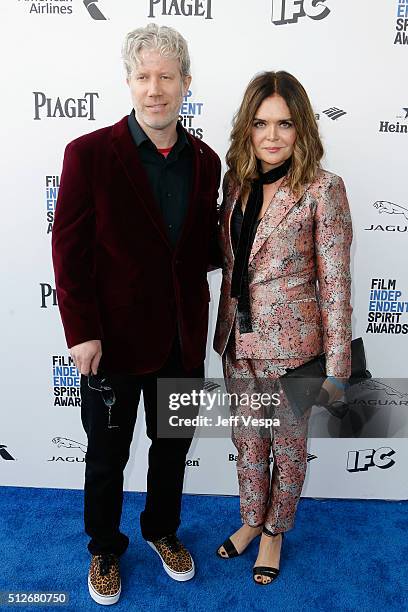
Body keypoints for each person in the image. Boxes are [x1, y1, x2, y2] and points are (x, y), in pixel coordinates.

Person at [52, 24, 221, 605]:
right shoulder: (89, 154)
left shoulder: (207, 160)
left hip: (181, 338)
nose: (156, 89)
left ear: (185, 84)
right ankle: (103, 546)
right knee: (106, 455)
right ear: (128, 82)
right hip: (112, 343)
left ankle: (162, 530)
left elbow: (203, 250)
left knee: (172, 445)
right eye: (144, 77)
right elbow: (68, 253)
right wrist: (82, 332)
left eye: (167, 77)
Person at [213, 71, 352, 585]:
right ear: (247, 129)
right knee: (247, 438)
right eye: (261, 123)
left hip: (296, 349)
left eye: (285, 124)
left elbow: (336, 284)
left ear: (303, 129)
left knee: (289, 446)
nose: (272, 136)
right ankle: (251, 518)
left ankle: (275, 528)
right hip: (237, 342)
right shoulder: (236, 183)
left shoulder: (323, 189)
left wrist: (338, 368)